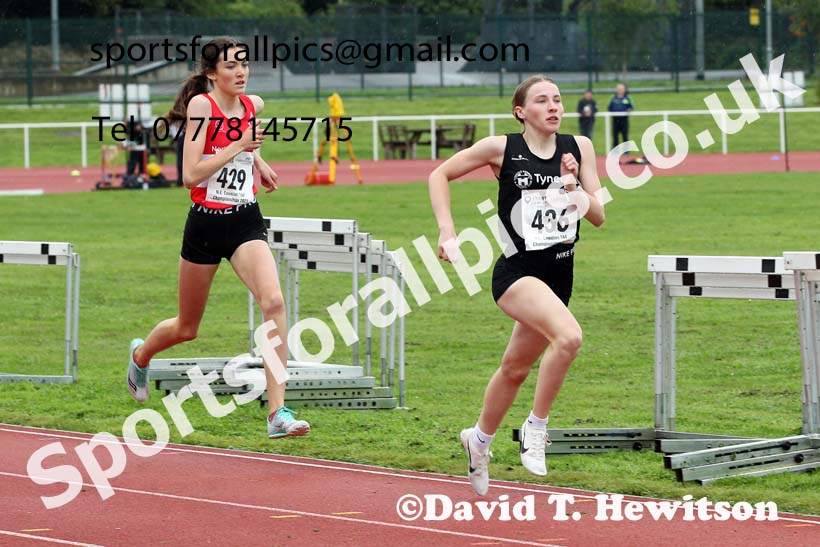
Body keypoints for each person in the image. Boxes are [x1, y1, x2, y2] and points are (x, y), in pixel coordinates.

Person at [428, 75, 606, 495]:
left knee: (515, 368)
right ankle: (535, 429)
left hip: (560, 275)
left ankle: (478, 440)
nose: (553, 106)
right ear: (521, 111)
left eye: (557, 99)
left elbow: (598, 216)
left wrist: (572, 183)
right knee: (570, 338)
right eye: (542, 100)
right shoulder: (502, 148)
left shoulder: (579, 148)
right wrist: (446, 230)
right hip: (517, 272)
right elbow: (440, 174)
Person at [126, 36, 310, 439]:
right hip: (205, 225)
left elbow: (239, 136)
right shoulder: (200, 107)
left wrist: (256, 159)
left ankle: (277, 413)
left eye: (244, 63)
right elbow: (191, 174)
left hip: (245, 219)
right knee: (187, 327)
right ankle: (141, 355)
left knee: (274, 301)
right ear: (212, 73)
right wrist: (241, 146)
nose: (241, 72)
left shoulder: (252, 104)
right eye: (231, 66)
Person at [608, 83, 633, 152]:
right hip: (615, 120)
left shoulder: (627, 98)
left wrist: (629, 109)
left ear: (624, 90)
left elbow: (631, 107)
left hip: (624, 120)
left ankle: (626, 152)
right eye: (618, 89)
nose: (619, 90)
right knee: (615, 136)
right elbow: (609, 107)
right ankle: (615, 152)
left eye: (621, 89)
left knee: (625, 136)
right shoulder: (613, 98)